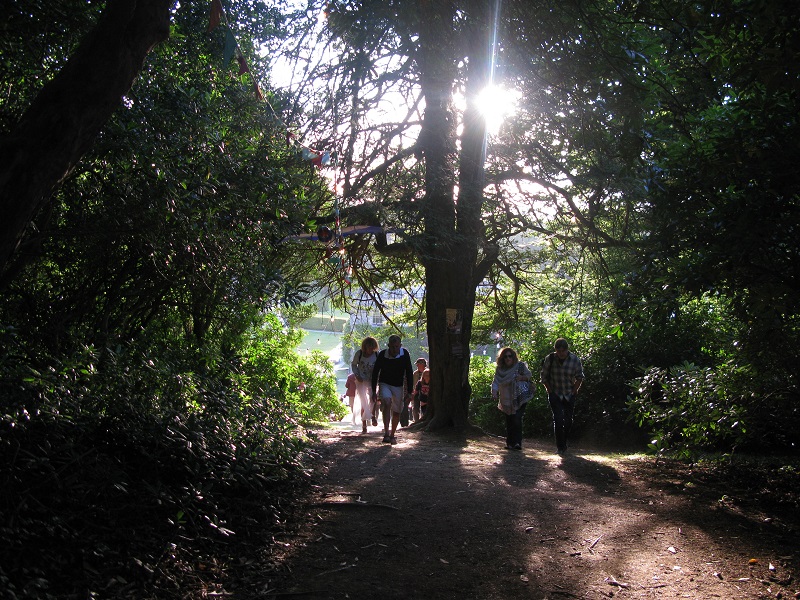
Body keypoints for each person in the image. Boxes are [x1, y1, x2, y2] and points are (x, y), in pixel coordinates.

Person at [540, 338, 585, 455]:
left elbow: (580, 377)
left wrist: (574, 391)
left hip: (569, 394)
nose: (561, 353)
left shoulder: (574, 359)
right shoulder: (550, 359)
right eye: (558, 351)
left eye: (563, 351)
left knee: (568, 421)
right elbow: (544, 377)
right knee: (558, 420)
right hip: (555, 393)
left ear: (567, 350)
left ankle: (564, 442)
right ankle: (560, 447)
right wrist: (550, 391)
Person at [371, 334, 414, 444]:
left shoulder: (404, 354)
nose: (394, 349)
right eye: (392, 347)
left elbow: (409, 372)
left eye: (396, 347)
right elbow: (375, 372)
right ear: (388, 345)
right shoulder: (382, 355)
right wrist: (373, 391)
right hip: (384, 383)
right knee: (387, 402)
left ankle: (392, 434)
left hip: (398, 385)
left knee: (396, 411)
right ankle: (386, 432)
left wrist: (410, 391)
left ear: (400, 345)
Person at [492, 347, 534, 450]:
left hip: (520, 396)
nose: (508, 358)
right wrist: (494, 392)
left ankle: (517, 443)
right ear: (502, 358)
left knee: (517, 418)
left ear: (513, 357)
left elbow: (528, 375)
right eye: (505, 357)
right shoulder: (500, 370)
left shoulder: (520, 366)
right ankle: (510, 443)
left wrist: (521, 378)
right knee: (509, 419)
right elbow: (496, 381)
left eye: (510, 356)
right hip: (506, 398)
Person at [351, 337, 379, 434]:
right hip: (361, 380)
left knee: (373, 399)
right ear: (365, 346)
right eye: (368, 347)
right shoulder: (359, 354)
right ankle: (364, 424)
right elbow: (354, 365)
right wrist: (357, 375)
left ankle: (372, 416)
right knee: (363, 401)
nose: (370, 349)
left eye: (372, 347)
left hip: (372, 380)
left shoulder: (376, 354)